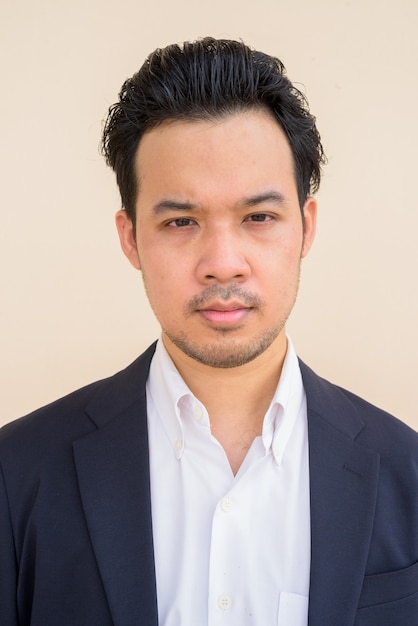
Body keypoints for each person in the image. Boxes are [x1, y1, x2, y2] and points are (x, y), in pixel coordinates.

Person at [0, 37, 417, 626]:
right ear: (130, 238)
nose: (223, 261)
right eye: (181, 221)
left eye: (259, 218)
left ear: (307, 227)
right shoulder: (18, 475)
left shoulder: (406, 472)